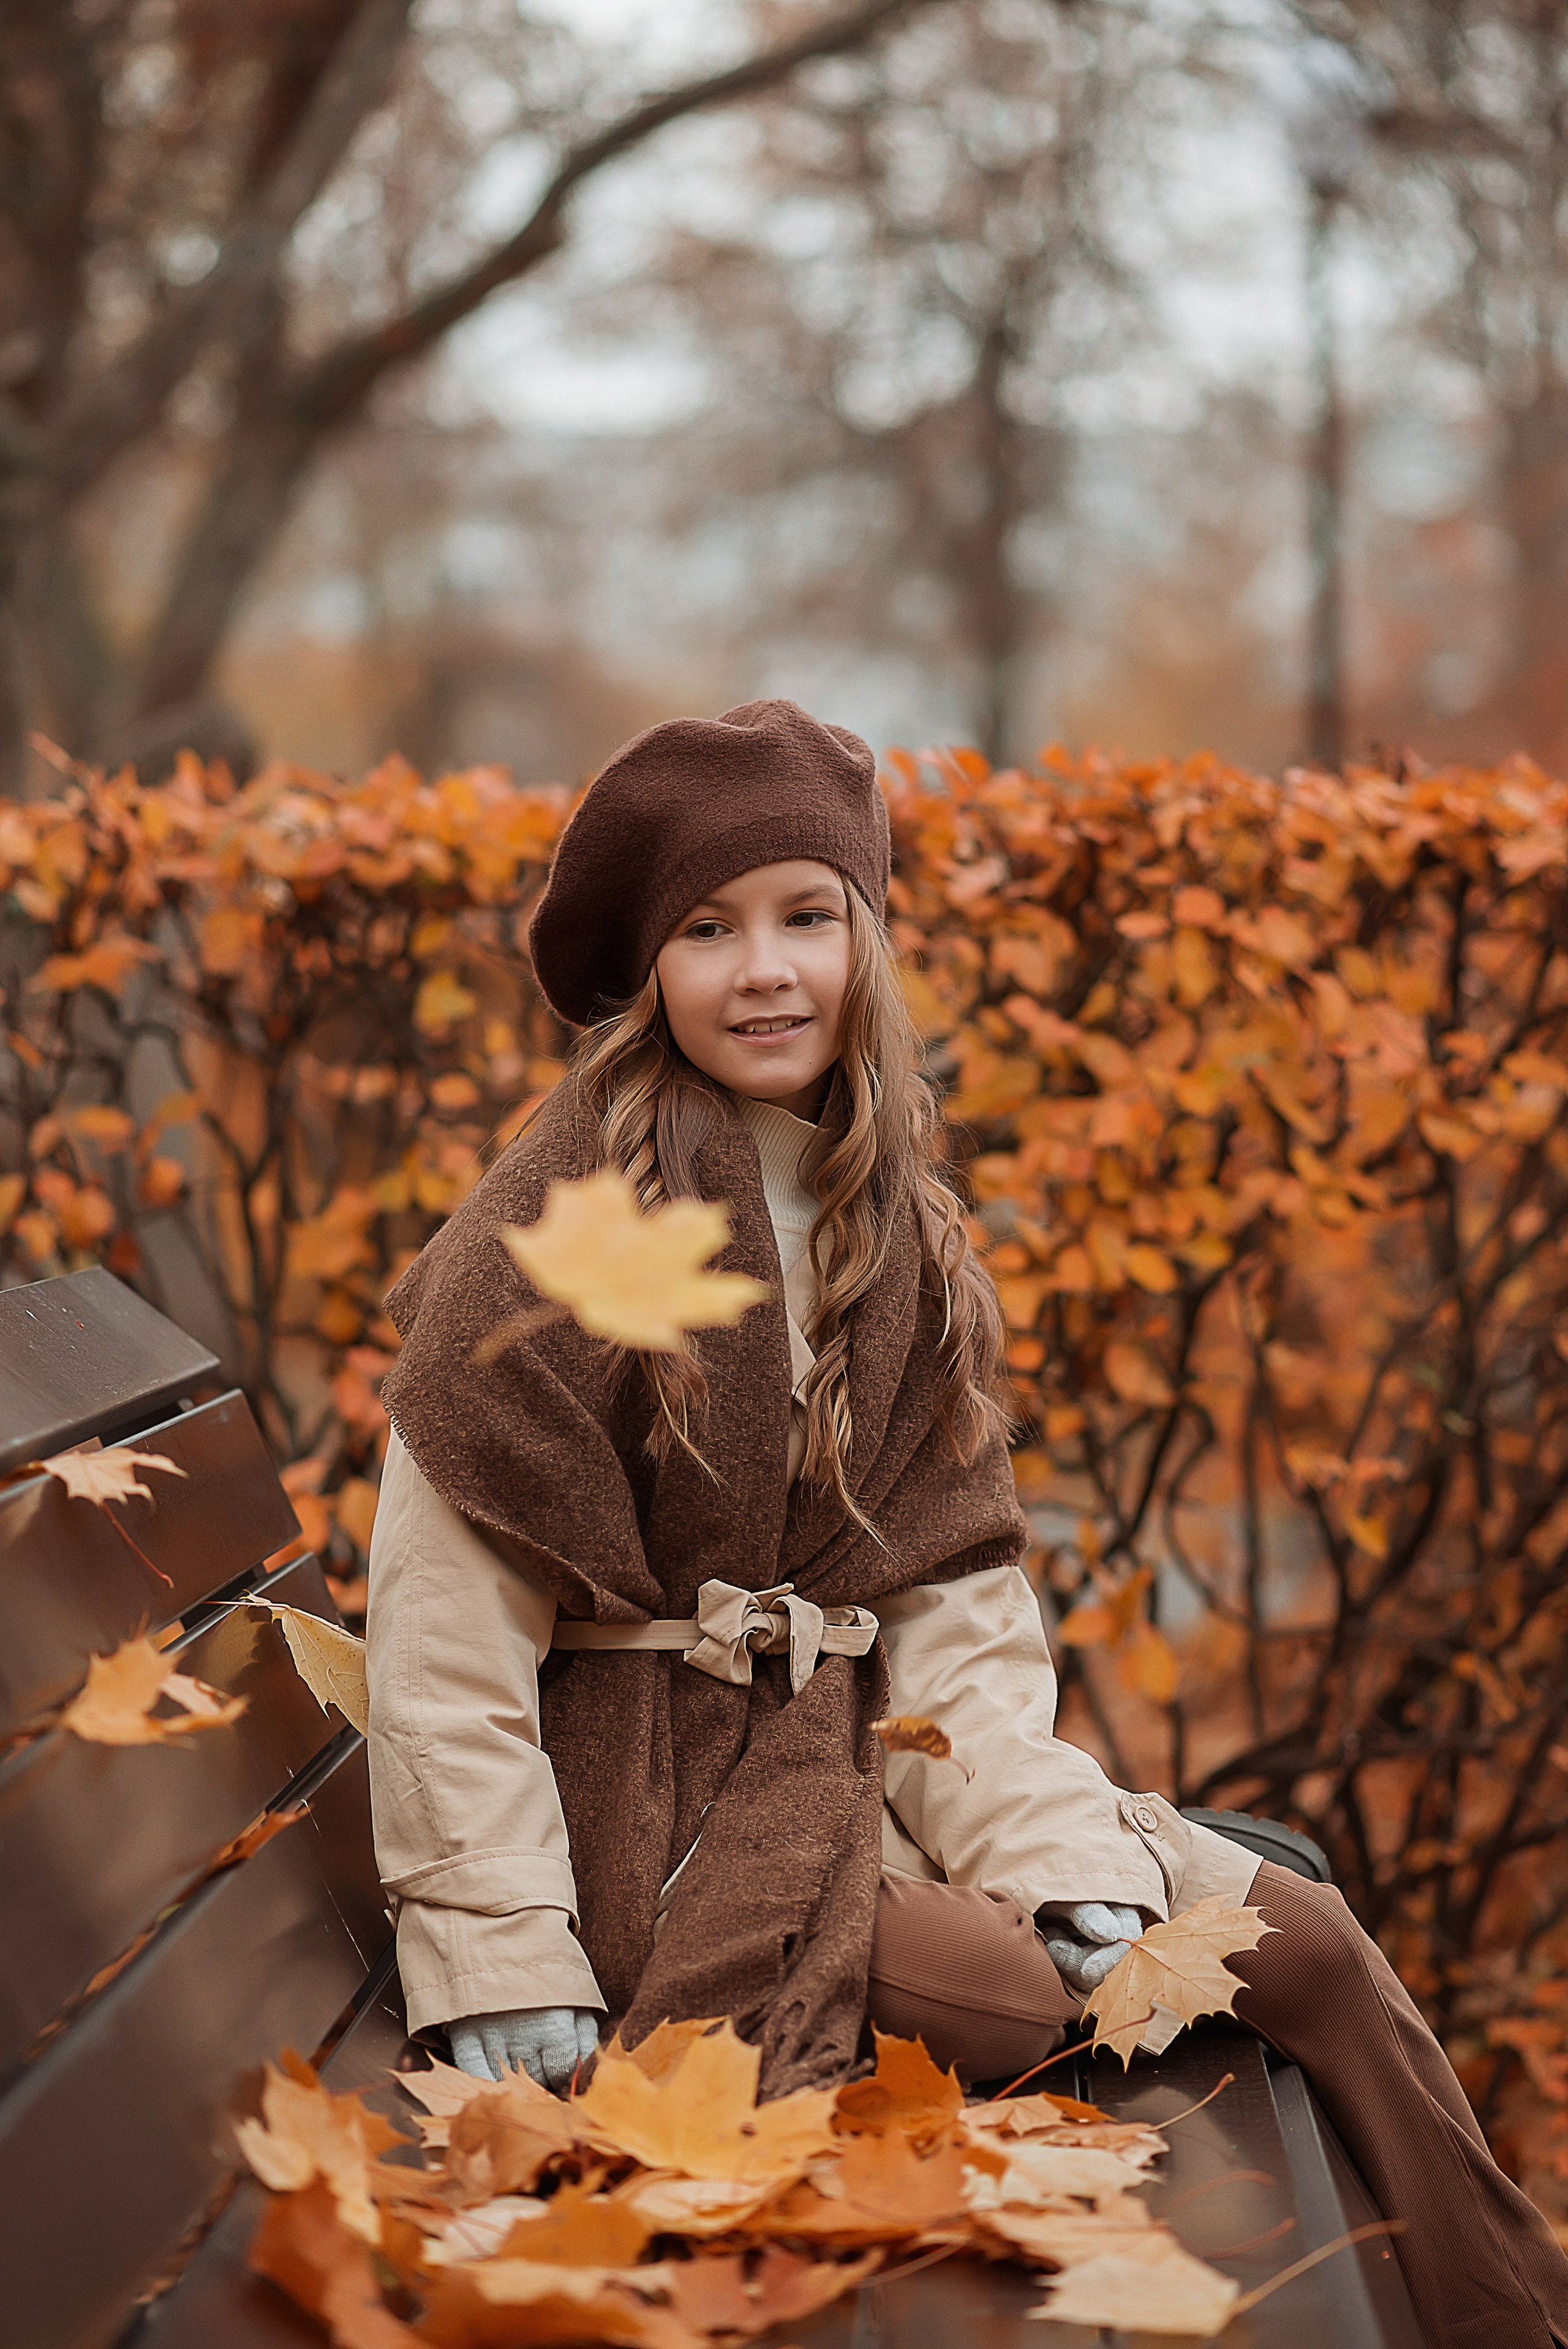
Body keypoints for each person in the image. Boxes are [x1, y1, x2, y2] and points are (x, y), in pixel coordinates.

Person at [367, 698, 1568, 2347]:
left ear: (867, 938)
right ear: (648, 968)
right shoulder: (546, 1235)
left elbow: (948, 1609)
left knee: (1316, 1947)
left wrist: (1059, 1857)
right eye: (708, 930)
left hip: (854, 1770)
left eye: (807, 914)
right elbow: (445, 1639)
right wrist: (502, 1953)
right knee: (1083, 2001)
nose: (766, 967)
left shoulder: (892, 1231)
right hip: (652, 1815)